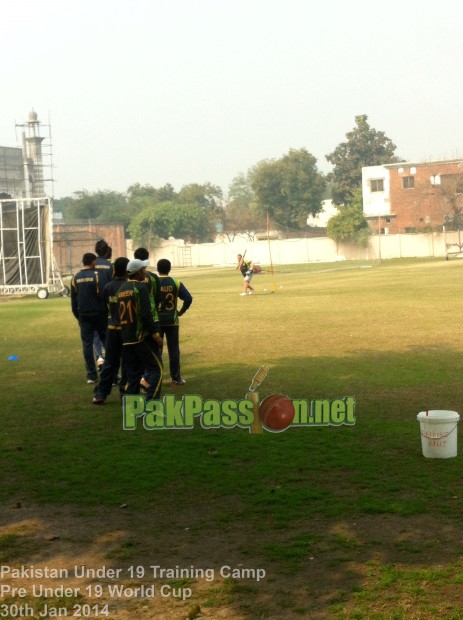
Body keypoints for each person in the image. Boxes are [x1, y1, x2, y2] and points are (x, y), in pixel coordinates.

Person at [117, 258, 163, 400]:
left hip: (126, 338)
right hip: (141, 337)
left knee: (133, 375)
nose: (145, 271)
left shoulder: (121, 290)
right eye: (143, 269)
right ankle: (152, 404)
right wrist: (156, 334)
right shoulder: (140, 288)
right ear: (137, 272)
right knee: (157, 369)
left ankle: (131, 408)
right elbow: (145, 313)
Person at [92, 257, 129, 405]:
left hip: (112, 329)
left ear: (115, 270)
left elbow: (103, 308)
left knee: (110, 363)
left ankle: (101, 394)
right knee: (127, 363)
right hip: (127, 330)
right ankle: (125, 393)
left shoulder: (108, 287)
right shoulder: (130, 287)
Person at [71, 252, 107, 384]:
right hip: (98, 314)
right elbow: (103, 297)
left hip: (84, 315)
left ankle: (91, 375)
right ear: (92, 262)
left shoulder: (75, 277)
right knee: (106, 342)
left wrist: (78, 316)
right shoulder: (97, 276)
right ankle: (111, 373)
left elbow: (73, 302)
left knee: (87, 344)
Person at [156, 258, 193, 386]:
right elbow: (188, 298)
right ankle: (176, 378)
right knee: (173, 350)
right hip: (172, 320)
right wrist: (181, 311)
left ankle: (156, 379)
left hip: (157, 321)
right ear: (170, 269)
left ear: (157, 269)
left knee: (156, 350)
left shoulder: (153, 282)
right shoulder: (176, 282)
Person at [93, 239, 114, 369]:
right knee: (106, 332)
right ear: (106, 250)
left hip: (93, 303)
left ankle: (99, 358)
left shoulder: (92, 264)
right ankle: (108, 356)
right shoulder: (109, 266)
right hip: (106, 305)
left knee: (95, 332)